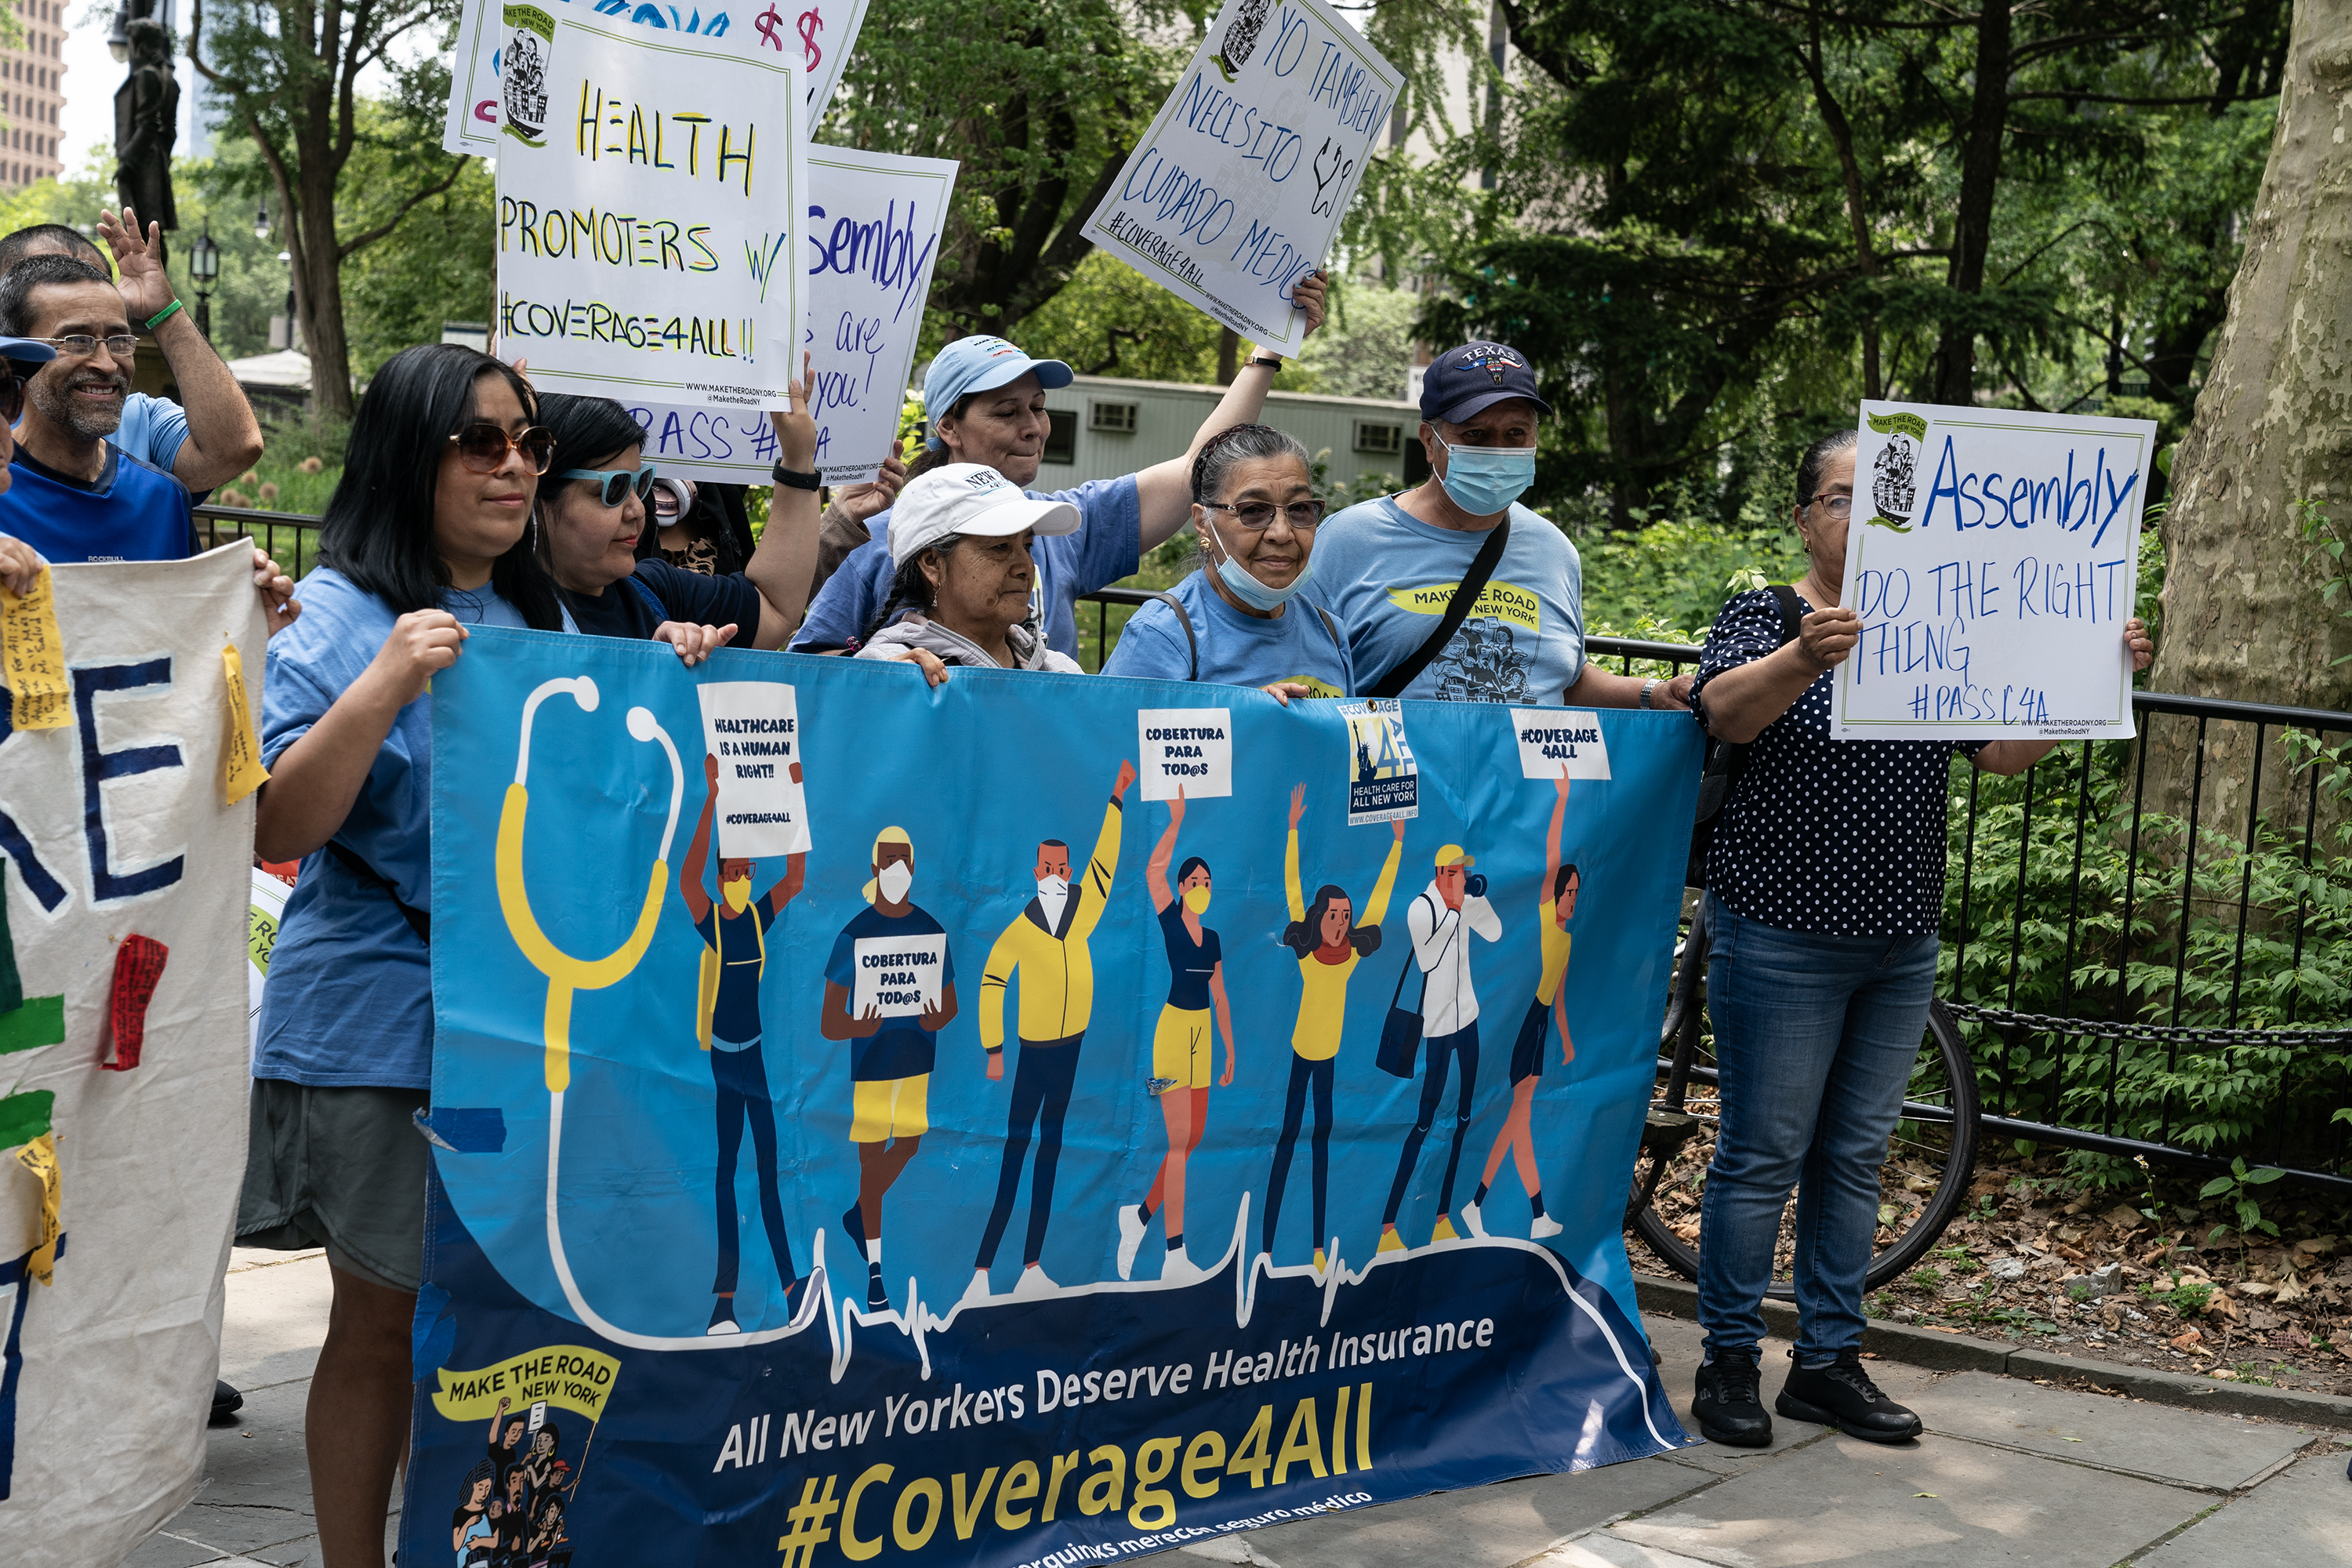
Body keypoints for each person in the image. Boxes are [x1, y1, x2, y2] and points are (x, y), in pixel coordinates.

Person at [1684, 427, 2155, 1451]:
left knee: (1854, 1155)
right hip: (1782, 931)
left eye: (1878, 499)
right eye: (1841, 497)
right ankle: (1727, 1359)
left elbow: (1996, 753)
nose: (1862, 516)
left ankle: (1827, 1364)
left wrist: (2093, 675)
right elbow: (1721, 714)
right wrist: (1803, 659)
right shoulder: (1766, 616)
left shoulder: (1936, 625)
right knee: (1763, 1152)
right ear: (1806, 517)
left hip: (1898, 940)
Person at [242, 343, 568, 1568]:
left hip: (530, 1025)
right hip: (381, 1022)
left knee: (508, 1324)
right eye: (481, 441)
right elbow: (279, 824)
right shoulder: (336, 615)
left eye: (530, 443)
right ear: (407, 456)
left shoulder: (543, 617)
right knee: (382, 1324)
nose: (516, 466)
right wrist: (384, 680)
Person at [793, 272, 1327, 659]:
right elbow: (806, 664)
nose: (1033, 427)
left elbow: (1197, 467)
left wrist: (1266, 355)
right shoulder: (885, 538)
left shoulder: (1063, 523)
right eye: (1007, 411)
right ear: (949, 428)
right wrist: (888, 673)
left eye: (1039, 408)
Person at [1306, 339, 1690, 710]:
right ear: (1429, 440)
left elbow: (1562, 681)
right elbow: (1298, 671)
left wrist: (1654, 693)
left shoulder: (1553, 550)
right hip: (1401, 775)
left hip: (1526, 777)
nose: (1499, 450)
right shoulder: (1347, 541)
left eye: (1516, 433)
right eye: (1475, 434)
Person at [0, 252, 296, 628]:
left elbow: (187, 648)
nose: (107, 364)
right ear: (18, 355)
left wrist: (248, 628)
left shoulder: (162, 496)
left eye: (120, 341)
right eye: (76, 341)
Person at [965, 758, 1138, 1306]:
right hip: (1033, 1053)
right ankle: (982, 1268)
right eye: (1049, 869)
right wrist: (994, 1047)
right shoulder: (1020, 926)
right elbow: (992, 979)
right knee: (1016, 1150)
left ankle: (1033, 1262)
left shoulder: (1083, 912)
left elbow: (1105, 867)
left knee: (1053, 1151)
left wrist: (1115, 802)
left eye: (1064, 868)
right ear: (1035, 872)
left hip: (1072, 1049)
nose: (1059, 877)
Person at [530, 372, 822, 656]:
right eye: (614, 489)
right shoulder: (494, 611)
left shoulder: (653, 593)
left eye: (639, 483)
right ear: (533, 493)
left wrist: (798, 459)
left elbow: (773, 607)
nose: (635, 511)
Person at [678, 753, 810, 1334]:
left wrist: (796, 796)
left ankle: (790, 1283)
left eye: (748, 872)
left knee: (769, 1166)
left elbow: (797, 876)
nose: (743, 880)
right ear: (721, 875)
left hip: (752, 1052)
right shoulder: (714, 918)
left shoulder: (756, 917)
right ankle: (723, 1302)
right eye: (733, 873)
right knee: (727, 1171)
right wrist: (710, 798)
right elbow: (686, 880)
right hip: (722, 1057)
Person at [0, 213, 266, 491]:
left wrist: (164, 312)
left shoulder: (141, 423)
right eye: (42, 275)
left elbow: (235, 449)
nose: (105, 364)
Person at [1261, 783, 1402, 1275]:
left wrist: (1397, 847)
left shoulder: (1348, 959)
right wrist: (1294, 831)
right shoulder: (1310, 955)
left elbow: (1381, 905)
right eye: (1335, 916)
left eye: (1346, 916)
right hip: (1303, 1056)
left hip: (1329, 1060)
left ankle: (1319, 1248)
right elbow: (1293, 888)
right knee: (1285, 1141)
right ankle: (1265, 1245)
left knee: (1321, 1145)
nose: (1342, 923)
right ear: (1320, 920)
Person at [1100, 423, 1349, 700]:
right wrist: (1243, 714)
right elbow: (1114, 740)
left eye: (1299, 509)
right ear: (1202, 522)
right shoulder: (1161, 635)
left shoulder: (1330, 632)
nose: (1282, 533)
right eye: (1253, 510)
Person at [819, 826, 958, 1316]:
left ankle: (860, 1212)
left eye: (905, 858)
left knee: (910, 1145)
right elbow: (828, 1023)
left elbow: (949, 1009)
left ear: (913, 867)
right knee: (869, 1160)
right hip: (874, 1067)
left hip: (917, 1062)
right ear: (875, 867)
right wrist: (860, 1022)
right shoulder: (854, 935)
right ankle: (875, 1275)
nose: (897, 867)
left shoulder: (932, 930)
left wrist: (932, 1016)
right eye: (888, 859)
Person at [1114, 790, 1234, 1286]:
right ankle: (1174, 1253)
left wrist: (1230, 1051)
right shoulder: (1170, 922)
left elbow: (1221, 996)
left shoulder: (1214, 940)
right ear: (1182, 888)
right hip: (1170, 1035)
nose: (1201, 886)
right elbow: (1151, 873)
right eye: (1195, 881)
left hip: (1202, 1037)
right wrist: (1176, 820)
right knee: (1179, 1141)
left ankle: (1138, 1217)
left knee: (1194, 1137)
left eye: (1207, 882)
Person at [1462, 768, 1575, 1243]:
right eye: (1568, 893)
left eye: (1574, 895)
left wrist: (1565, 1040)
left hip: (1543, 1023)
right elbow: (1553, 855)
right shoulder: (1549, 919)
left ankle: (1480, 1205)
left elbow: (1561, 993)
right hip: (1528, 1020)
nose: (1572, 900)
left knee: (1517, 1118)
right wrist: (1563, 799)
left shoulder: (1567, 938)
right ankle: (1526, 1211)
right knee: (1519, 1117)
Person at [1377, 842, 1502, 1254]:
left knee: (1464, 1118)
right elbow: (1428, 960)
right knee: (1425, 1122)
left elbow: (1496, 932)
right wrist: (1451, 911)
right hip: (1435, 1028)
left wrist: (1474, 904)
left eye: (1466, 872)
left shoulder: (1465, 900)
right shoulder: (1421, 907)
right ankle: (1388, 1225)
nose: (1464, 878)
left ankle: (1443, 1217)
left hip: (1469, 1019)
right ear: (1441, 873)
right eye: (1457, 873)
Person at [854, 463, 1084, 678]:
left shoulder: (1059, 672)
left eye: (1027, 546)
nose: (1026, 567)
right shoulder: (894, 668)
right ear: (933, 564)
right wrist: (888, 690)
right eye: (1000, 547)